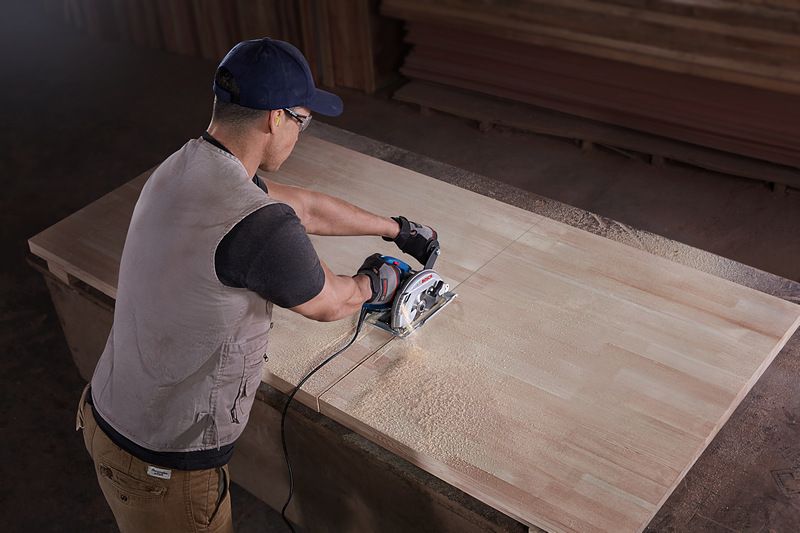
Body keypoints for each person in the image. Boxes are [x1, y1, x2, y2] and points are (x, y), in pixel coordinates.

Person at [75, 38, 438, 533]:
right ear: (275, 118)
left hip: (109, 415)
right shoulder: (254, 225)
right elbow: (331, 303)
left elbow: (305, 208)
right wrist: (380, 282)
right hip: (161, 465)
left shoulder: (189, 165)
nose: (300, 134)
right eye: (303, 121)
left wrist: (395, 227)